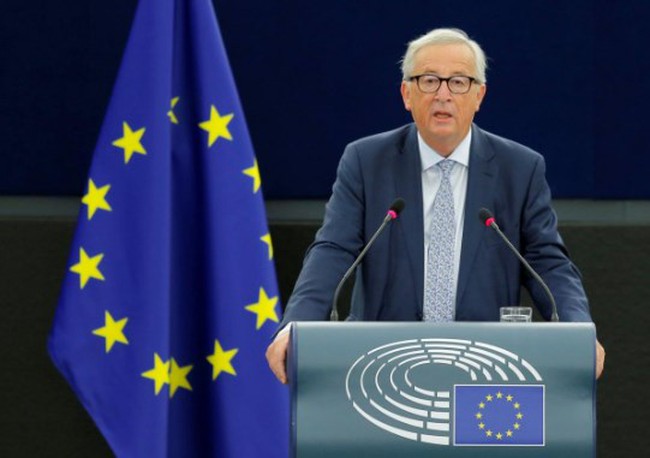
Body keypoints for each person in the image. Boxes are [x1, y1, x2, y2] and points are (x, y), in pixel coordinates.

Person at [266, 28, 605, 383]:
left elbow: (548, 262)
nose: (443, 94)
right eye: (429, 80)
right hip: (380, 365)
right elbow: (332, 250)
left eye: (458, 82)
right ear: (406, 94)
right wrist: (296, 326)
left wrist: (578, 329)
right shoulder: (366, 161)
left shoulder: (519, 168)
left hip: (484, 366)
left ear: (479, 95)